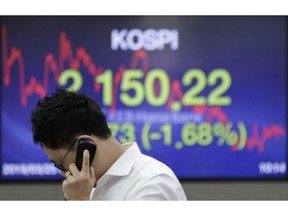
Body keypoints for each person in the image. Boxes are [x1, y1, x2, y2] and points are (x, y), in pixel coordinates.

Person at [30, 88, 187, 200]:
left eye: (61, 164)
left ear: (85, 146)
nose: (64, 174)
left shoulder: (152, 182)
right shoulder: (90, 190)